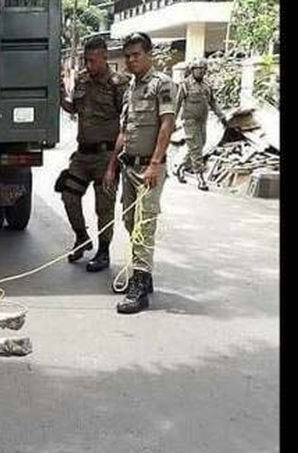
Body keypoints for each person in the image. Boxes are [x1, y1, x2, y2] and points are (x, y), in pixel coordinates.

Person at [103, 33, 176, 314]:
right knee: (130, 222)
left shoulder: (162, 84)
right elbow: (124, 130)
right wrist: (111, 166)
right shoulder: (131, 86)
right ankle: (143, 274)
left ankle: (140, 286)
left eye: (136, 54)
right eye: (128, 55)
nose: (131, 59)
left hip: (149, 167)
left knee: (144, 225)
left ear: (149, 54)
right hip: (129, 167)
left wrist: (155, 164)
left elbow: (166, 125)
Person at [57, 36, 130, 272]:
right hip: (82, 154)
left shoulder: (119, 83)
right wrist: (59, 95)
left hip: (106, 155)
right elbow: (73, 109)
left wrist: (113, 164)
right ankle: (82, 237)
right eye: (86, 60)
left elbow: (127, 123)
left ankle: (103, 251)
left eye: (93, 60)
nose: (89, 65)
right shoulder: (82, 80)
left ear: (105, 57)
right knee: (69, 195)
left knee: (104, 206)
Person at [173, 57, 227, 191]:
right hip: (189, 121)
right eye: (199, 69)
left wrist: (222, 116)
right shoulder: (185, 85)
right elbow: (177, 104)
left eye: (204, 69)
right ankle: (200, 178)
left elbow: (213, 102)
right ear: (192, 70)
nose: (201, 72)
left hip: (203, 121)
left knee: (199, 146)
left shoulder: (206, 86)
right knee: (196, 148)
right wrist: (172, 121)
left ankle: (180, 167)